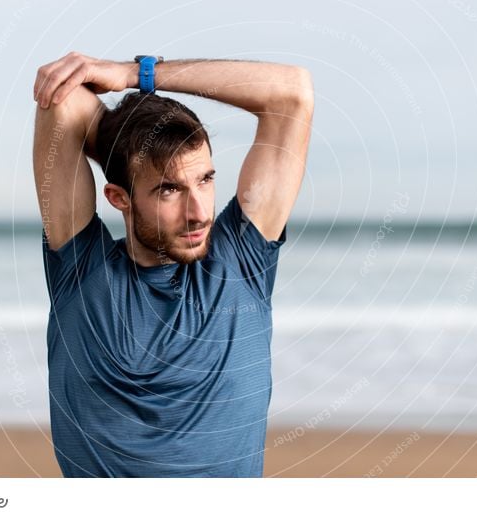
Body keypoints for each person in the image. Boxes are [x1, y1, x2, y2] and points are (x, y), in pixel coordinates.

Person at [32, 52, 314, 477]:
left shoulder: (242, 260)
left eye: (205, 179)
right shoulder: (82, 273)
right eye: (168, 190)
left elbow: (291, 93)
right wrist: (130, 153)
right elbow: (65, 100)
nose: (199, 212)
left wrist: (136, 74)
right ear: (119, 197)